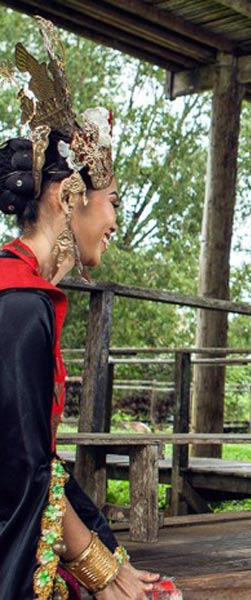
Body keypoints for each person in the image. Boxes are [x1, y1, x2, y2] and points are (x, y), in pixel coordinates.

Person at [0, 18, 162, 599]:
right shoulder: (18, 305)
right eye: (112, 201)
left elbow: (37, 460)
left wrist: (109, 556)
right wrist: (99, 571)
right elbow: (21, 470)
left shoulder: (19, 289)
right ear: (71, 196)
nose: (114, 219)